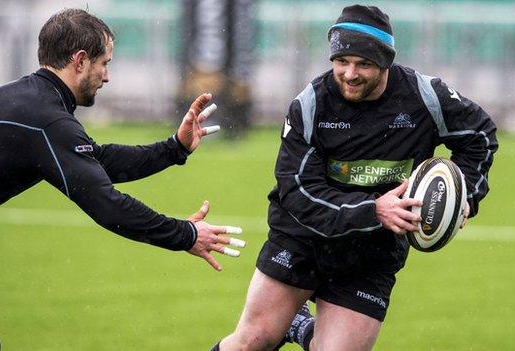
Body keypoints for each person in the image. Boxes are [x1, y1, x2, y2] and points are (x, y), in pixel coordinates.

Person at [0, 9, 243, 350]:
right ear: (79, 60)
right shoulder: (45, 119)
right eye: (104, 63)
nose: (107, 76)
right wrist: (185, 235)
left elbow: (96, 161)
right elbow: (107, 206)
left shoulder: (34, 102)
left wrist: (174, 148)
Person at [212, 5, 498, 351]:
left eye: (363, 63)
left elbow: (479, 136)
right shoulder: (310, 104)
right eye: (341, 61)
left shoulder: (425, 97)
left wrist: (466, 194)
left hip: (373, 251)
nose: (350, 73)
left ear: (385, 62)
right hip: (304, 238)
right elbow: (297, 190)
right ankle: (294, 323)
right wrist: (373, 210)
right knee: (252, 341)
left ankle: (302, 328)